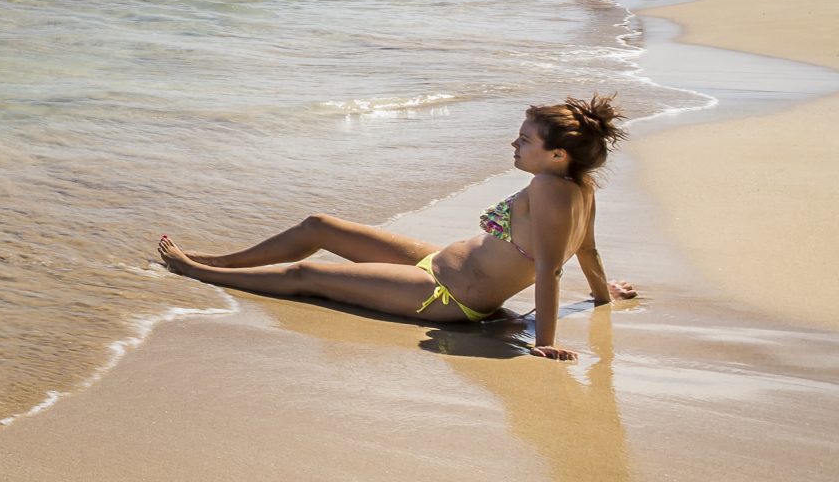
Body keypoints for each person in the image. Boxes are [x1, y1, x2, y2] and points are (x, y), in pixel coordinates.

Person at [155, 95, 636, 360]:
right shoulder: (578, 185)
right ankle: (219, 259)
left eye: (525, 139)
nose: (514, 142)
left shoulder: (550, 190)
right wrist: (601, 297)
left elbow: (552, 268)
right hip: (436, 262)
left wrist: (545, 342)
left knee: (308, 273)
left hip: (446, 297)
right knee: (319, 224)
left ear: (557, 155)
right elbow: (589, 251)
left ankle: (201, 272)